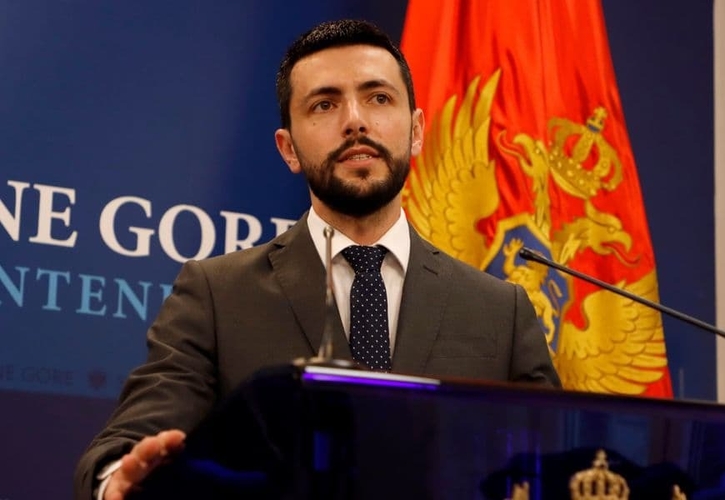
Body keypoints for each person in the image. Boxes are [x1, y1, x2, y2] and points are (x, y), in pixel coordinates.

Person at [73, 19, 561, 500]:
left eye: (378, 98)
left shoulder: (501, 310)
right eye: (325, 104)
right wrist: (121, 481)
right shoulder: (216, 295)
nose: (356, 121)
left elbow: (559, 459)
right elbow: (133, 439)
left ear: (416, 132)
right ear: (288, 149)